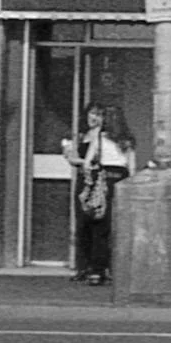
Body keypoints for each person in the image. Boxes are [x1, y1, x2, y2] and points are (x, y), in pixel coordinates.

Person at [62, 103, 136, 286]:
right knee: (109, 227)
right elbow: (131, 167)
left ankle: (92, 269)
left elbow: (87, 163)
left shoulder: (100, 139)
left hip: (99, 182)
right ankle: (105, 269)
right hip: (120, 182)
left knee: (93, 223)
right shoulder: (127, 141)